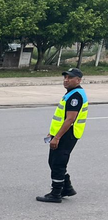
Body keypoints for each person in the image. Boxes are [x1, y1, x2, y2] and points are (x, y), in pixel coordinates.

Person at [36, 67, 88, 203]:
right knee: (53, 161)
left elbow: (70, 119)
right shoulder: (71, 93)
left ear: (78, 80)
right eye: (65, 77)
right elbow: (60, 117)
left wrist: (57, 137)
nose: (66, 80)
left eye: (70, 78)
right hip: (62, 133)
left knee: (58, 163)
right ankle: (67, 188)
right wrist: (52, 133)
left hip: (67, 134)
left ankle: (56, 193)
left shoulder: (75, 96)